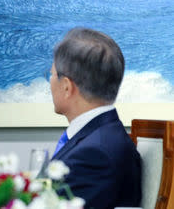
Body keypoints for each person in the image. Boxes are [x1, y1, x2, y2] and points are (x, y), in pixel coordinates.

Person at [49, 28, 141, 208]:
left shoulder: (95, 155)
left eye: (51, 75)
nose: (50, 83)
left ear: (67, 87)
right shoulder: (101, 137)